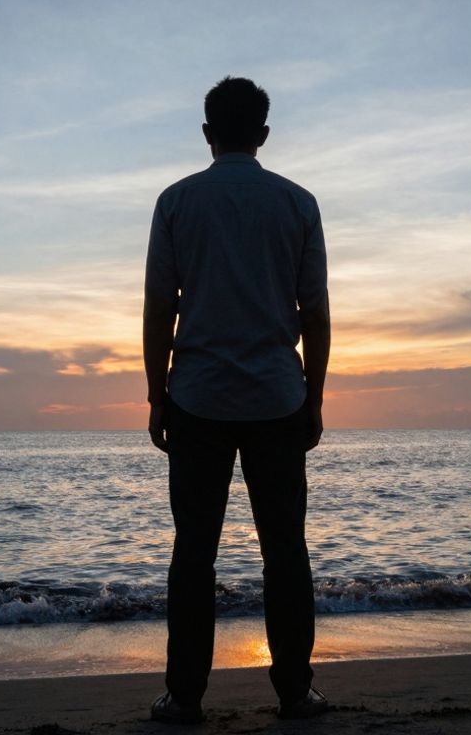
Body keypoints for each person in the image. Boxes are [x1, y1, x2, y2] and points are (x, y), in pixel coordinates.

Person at [142, 76, 331, 724]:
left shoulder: (177, 201)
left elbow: (160, 307)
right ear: (265, 134)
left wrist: (155, 394)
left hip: (197, 396)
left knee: (194, 549)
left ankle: (186, 695)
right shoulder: (297, 203)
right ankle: (294, 691)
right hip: (278, 396)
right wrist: (316, 395)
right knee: (286, 549)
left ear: (206, 133)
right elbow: (315, 311)